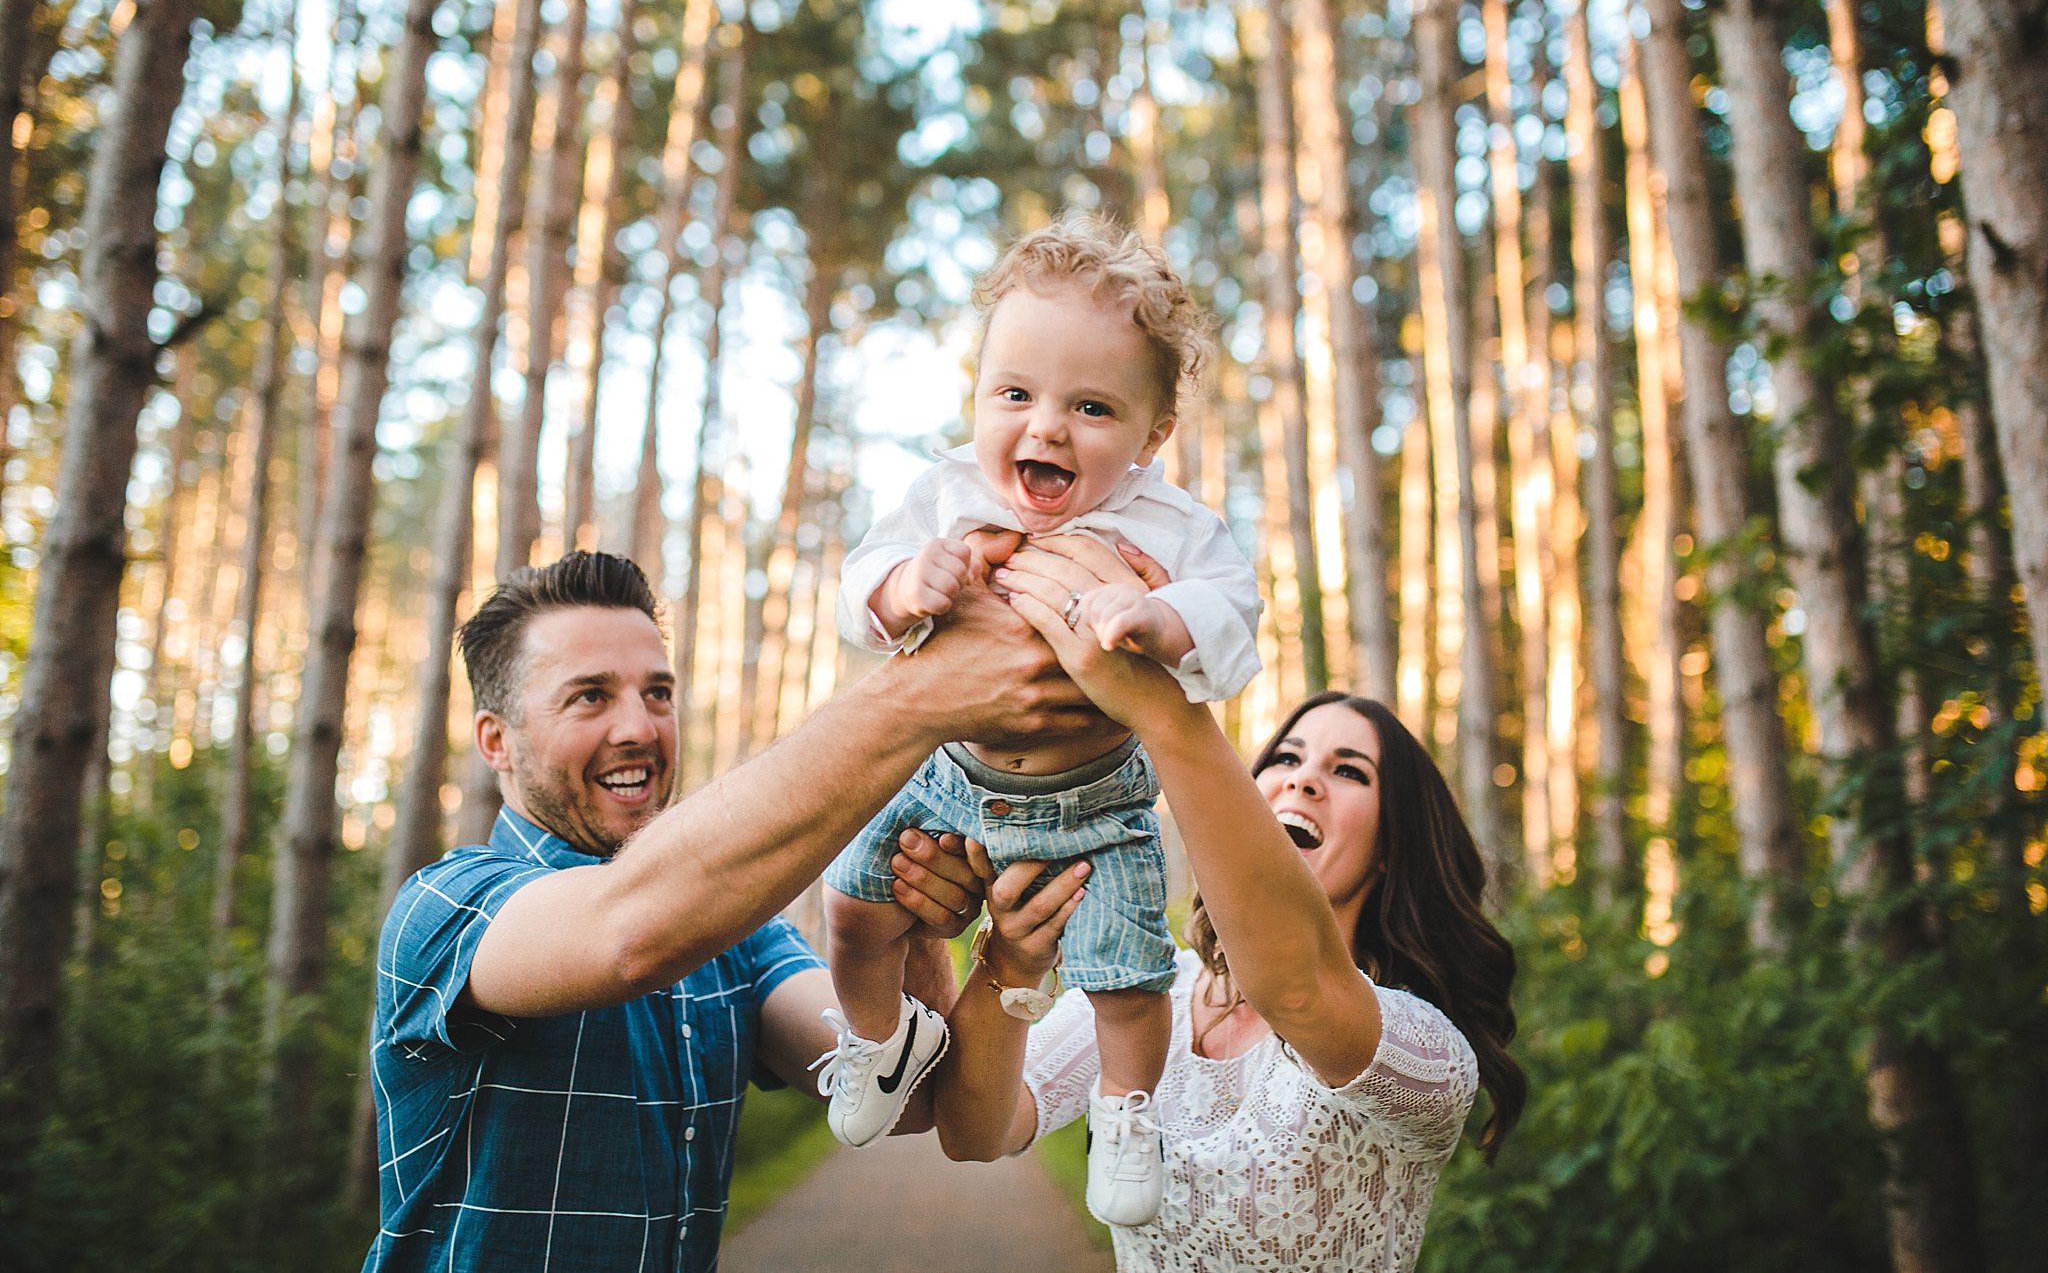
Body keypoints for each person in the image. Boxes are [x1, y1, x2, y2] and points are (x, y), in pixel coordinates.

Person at [359, 549, 1115, 1273]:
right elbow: (628, 935)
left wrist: (911, 927)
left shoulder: (740, 940)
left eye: (657, 692)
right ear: (497, 740)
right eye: (591, 695)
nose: (639, 727)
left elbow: (907, 1098)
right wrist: (919, 696)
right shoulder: (447, 906)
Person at [908, 537, 1526, 1270]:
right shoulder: (1148, 992)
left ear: (1393, 845)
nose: (1301, 781)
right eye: (1285, 759)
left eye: (1349, 770)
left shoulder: (1423, 1052)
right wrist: (1008, 962)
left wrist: (1159, 702)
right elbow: (976, 1133)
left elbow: (1295, 985)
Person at [815, 214, 1262, 1227]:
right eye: (1013, 394)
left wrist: (1158, 617)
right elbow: (853, 591)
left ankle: (1127, 1109)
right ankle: (884, 1043)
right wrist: (898, 587)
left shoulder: (1169, 528)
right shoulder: (946, 491)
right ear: (977, 395)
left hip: (1091, 806)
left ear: (1151, 435)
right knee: (849, 910)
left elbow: (1233, 624)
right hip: (945, 773)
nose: (1044, 427)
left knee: (1126, 978)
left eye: (1090, 406)